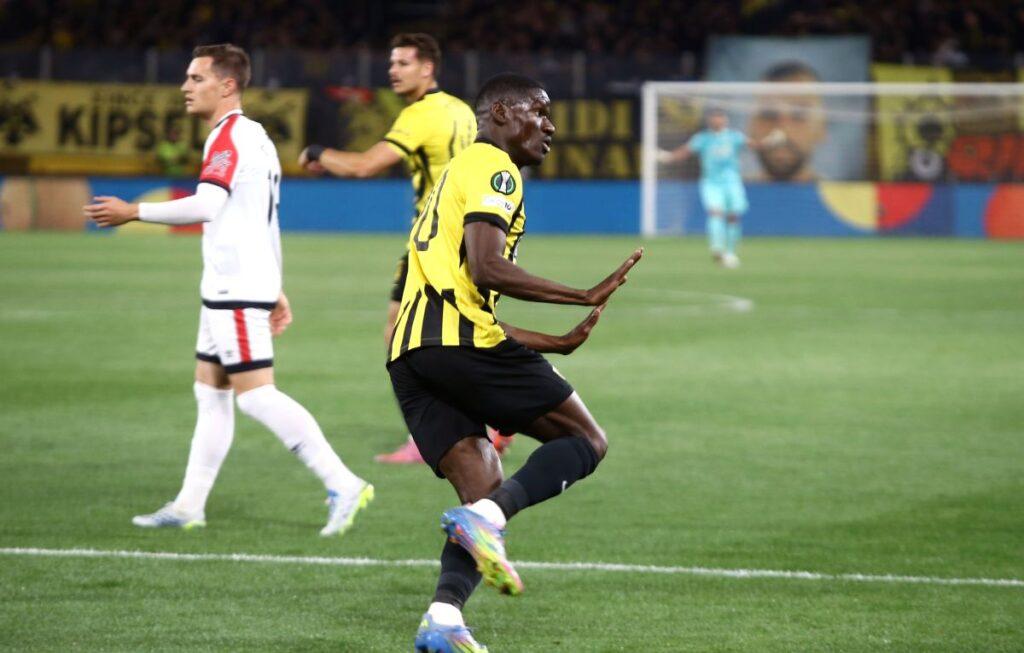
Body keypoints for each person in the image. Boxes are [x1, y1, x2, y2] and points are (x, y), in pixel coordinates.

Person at [388, 72, 643, 652]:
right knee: (585, 440)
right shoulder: (495, 168)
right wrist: (581, 293)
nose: (550, 126)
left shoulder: (455, 173)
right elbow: (486, 268)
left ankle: (443, 619)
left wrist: (553, 342)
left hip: (412, 355)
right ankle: (491, 519)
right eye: (540, 112)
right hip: (458, 345)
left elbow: (461, 297)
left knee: (482, 483)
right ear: (501, 112)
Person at [84, 44, 373, 537]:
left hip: (235, 288)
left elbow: (207, 205)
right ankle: (189, 505)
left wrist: (134, 211)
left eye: (196, 78)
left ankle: (343, 483)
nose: (185, 87)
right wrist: (276, 286)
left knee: (255, 397)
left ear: (228, 85)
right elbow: (263, 218)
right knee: (210, 392)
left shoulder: (229, 138)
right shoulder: (254, 136)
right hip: (233, 285)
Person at [298, 33, 514, 465]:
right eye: (391, 63)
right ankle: (496, 416)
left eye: (402, 63)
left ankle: (444, 431)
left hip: (438, 241)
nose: (392, 71)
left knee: (408, 337)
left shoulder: (421, 115)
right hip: (470, 234)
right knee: (446, 333)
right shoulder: (461, 110)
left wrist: (319, 153)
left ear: (427, 68)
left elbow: (365, 166)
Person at [658, 107, 783, 268]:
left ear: (725, 120)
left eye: (720, 117)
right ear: (710, 121)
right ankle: (717, 249)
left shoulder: (734, 137)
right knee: (715, 213)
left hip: (732, 182)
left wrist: (770, 142)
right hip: (711, 183)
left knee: (733, 216)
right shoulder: (702, 138)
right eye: (714, 118)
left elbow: (755, 145)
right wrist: (668, 157)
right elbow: (685, 151)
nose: (717, 120)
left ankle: (730, 252)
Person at [747, 61, 826, 183]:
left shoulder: (845, 193)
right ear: (751, 125)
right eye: (769, 114)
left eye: (799, 115)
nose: (782, 131)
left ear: (821, 128)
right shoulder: (724, 192)